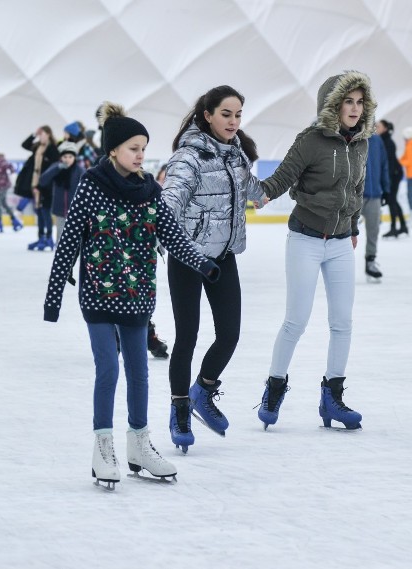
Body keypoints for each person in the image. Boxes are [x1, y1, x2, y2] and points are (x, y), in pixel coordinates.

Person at [43, 102, 220, 488]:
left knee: (139, 373)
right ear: (113, 151)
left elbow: (173, 236)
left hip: (137, 297)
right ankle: (102, 448)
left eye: (143, 147)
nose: (141, 155)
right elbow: (69, 239)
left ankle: (139, 445)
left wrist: (203, 263)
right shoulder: (91, 186)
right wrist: (53, 297)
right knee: (108, 368)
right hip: (98, 296)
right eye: (134, 148)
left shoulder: (150, 191)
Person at [256, 70, 376, 431]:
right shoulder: (311, 140)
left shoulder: (362, 143)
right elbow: (283, 177)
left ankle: (332, 397)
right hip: (305, 239)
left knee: (342, 322)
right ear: (332, 105)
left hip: (340, 243)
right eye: (347, 102)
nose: (354, 109)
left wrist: (353, 226)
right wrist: (260, 194)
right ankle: (274, 386)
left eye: (359, 102)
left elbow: (357, 188)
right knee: (297, 320)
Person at [161, 85, 266, 451]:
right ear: (207, 115)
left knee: (230, 335)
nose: (234, 122)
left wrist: (295, 182)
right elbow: (169, 201)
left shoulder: (236, 155)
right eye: (226, 114)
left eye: (238, 115)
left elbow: (254, 189)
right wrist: (163, 238)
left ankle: (203, 390)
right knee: (187, 337)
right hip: (188, 260)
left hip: (222, 257)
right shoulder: (187, 158)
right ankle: (179, 409)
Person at [14, 126, 59, 251]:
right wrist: (34, 133)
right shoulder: (37, 147)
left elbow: (54, 168)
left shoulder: (53, 149)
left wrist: (45, 183)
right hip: (34, 183)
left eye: (43, 134)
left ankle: (49, 238)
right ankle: (40, 237)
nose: (41, 137)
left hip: (46, 185)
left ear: (49, 135)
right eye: (40, 135)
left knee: (45, 211)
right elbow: (24, 144)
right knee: (39, 212)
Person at [39, 141, 83, 241]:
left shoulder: (80, 170)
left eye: (70, 157)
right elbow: (42, 181)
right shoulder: (56, 167)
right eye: (65, 157)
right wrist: (56, 168)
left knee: (77, 240)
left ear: (74, 158)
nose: (67, 159)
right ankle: (60, 256)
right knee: (60, 239)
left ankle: (77, 256)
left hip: (76, 211)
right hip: (60, 211)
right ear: (61, 158)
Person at [362, 131, 388, 281]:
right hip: (354, 196)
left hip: (375, 194)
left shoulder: (377, 140)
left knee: (374, 230)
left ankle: (370, 262)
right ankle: (339, 264)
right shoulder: (349, 136)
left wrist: (386, 189)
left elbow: (384, 165)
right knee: (344, 233)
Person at [375, 120, 407, 236]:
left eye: (378, 126)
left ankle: (394, 227)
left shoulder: (387, 142)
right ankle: (403, 226)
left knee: (392, 199)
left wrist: (387, 182)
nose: (376, 128)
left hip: (394, 174)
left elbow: (389, 163)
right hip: (392, 174)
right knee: (393, 200)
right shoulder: (381, 141)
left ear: (385, 129)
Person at [0, 147, 21, 233]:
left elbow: (10, 166)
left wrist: (12, 171)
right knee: (4, 203)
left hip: (4, 185)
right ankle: (14, 220)